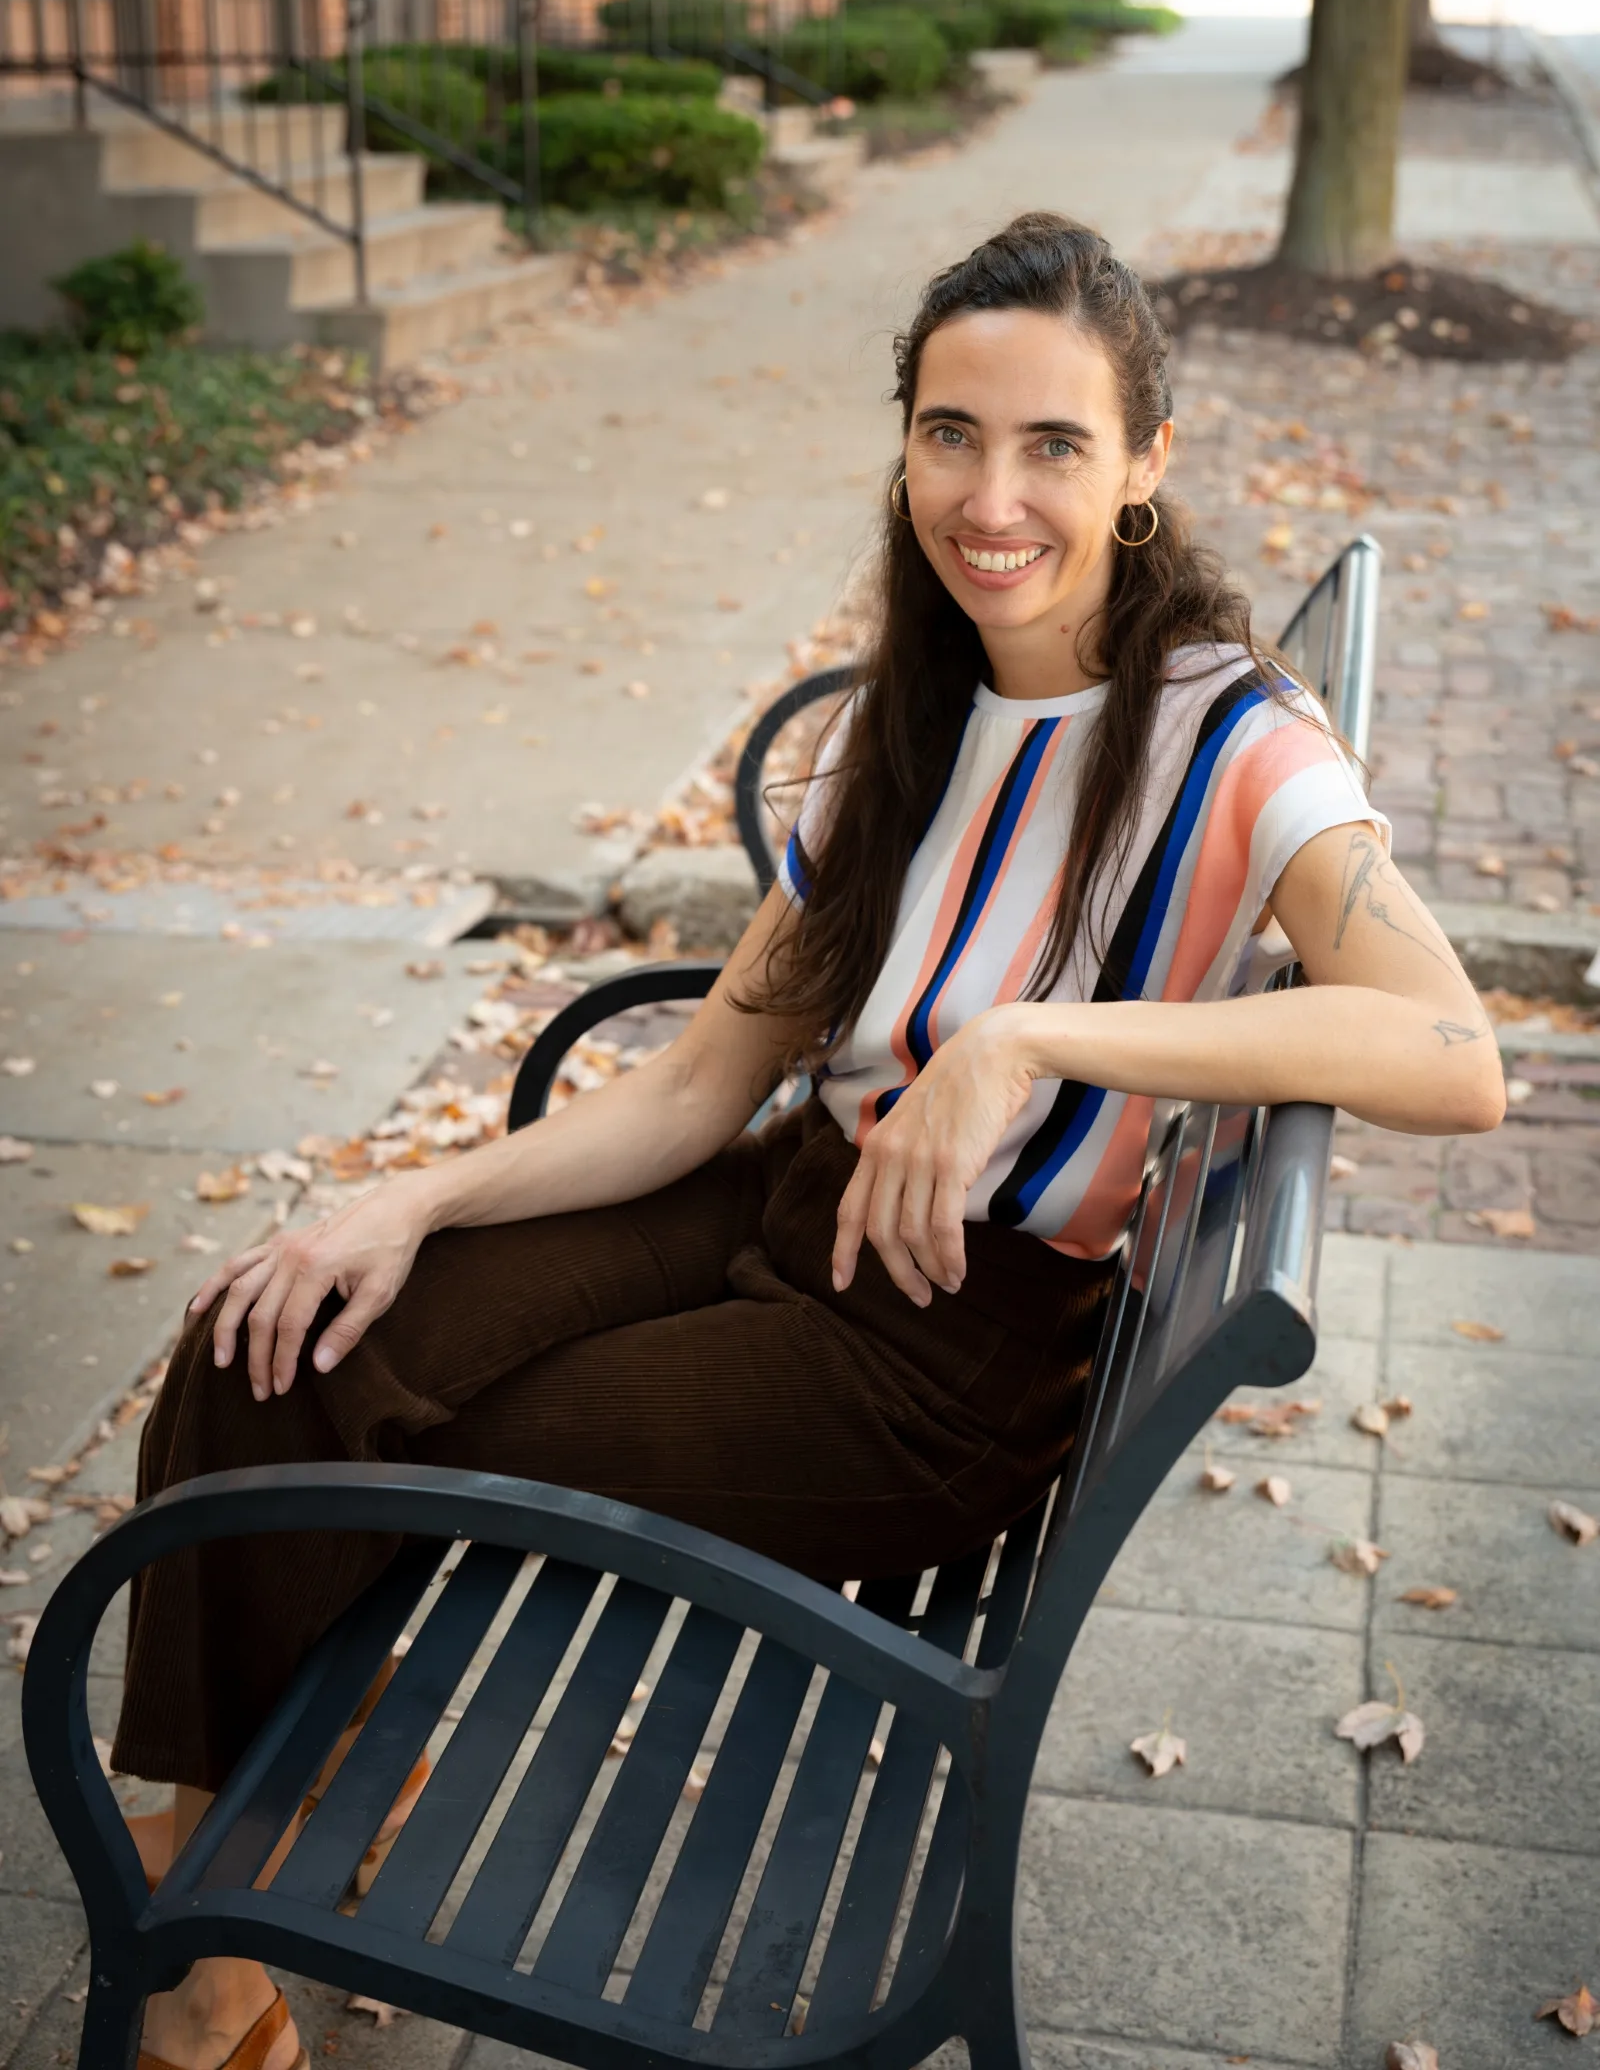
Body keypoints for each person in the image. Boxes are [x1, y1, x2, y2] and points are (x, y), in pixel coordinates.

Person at [113, 214, 1502, 2070]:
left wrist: (1029, 1040)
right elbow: (703, 1084)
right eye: (948, 432)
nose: (987, 495)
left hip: (935, 1366)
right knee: (279, 1323)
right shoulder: (915, 711)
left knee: (343, 1426)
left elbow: (1453, 1049)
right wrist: (409, 1196)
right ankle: (250, 1832)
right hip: (784, 1203)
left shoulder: (1231, 737)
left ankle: (200, 1954)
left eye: (1053, 445)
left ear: (1147, 466)